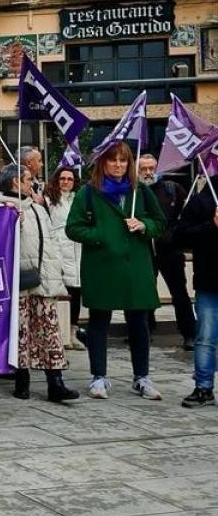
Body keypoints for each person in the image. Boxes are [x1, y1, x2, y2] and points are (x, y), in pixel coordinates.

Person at [66, 142, 166, 401]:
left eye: (123, 160)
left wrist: (143, 225)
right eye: (113, 160)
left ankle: (141, 377)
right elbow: (73, 228)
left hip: (135, 267)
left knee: (139, 323)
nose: (119, 165)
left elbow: (160, 222)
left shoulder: (140, 191)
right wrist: (101, 235)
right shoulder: (88, 193)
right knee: (99, 322)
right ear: (103, 163)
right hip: (101, 266)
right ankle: (99, 377)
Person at [1, 164, 79, 404]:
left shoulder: (38, 207)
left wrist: (57, 274)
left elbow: (52, 241)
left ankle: (55, 382)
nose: (32, 183)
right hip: (20, 281)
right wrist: (13, 222)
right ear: (15, 182)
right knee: (21, 332)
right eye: (27, 179)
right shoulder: (0, 206)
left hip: (44, 280)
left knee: (49, 333)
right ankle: (21, 380)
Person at [138, 154, 196, 349]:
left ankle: (189, 334)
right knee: (145, 292)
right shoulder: (135, 192)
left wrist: (174, 236)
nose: (148, 172)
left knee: (179, 294)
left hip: (170, 250)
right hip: (144, 249)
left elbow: (186, 215)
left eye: (151, 168)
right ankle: (144, 331)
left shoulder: (172, 189)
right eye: (143, 169)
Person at [176, 176, 218, 408]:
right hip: (210, 282)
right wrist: (211, 226)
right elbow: (180, 235)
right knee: (205, 337)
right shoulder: (203, 199)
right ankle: (203, 387)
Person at [47, 166, 84, 349]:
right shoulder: (50, 200)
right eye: (62, 178)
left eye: (69, 179)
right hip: (59, 251)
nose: (66, 182)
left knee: (76, 293)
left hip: (77, 252)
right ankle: (58, 333)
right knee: (61, 293)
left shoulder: (80, 199)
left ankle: (72, 332)